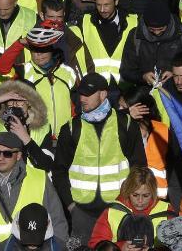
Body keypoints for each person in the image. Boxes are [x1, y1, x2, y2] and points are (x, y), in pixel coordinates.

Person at [52, 73, 147, 240]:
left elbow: (138, 167)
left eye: (88, 94)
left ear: (103, 94)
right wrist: (71, 206)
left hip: (117, 209)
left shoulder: (125, 124)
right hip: (81, 213)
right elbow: (59, 171)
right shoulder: (71, 128)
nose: (82, 98)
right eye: (80, 93)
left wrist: (129, 202)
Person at [0, 131, 67, 242]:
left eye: (7, 153)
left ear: (18, 156)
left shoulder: (40, 179)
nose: (0, 158)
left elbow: (57, 222)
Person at [86, 166, 174, 248]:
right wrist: (121, 247)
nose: (140, 200)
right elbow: (96, 245)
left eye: (146, 195)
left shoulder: (166, 211)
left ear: (153, 193)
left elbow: (178, 245)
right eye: (135, 195)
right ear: (128, 191)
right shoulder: (112, 210)